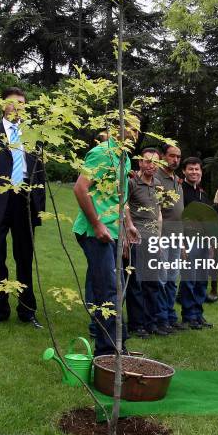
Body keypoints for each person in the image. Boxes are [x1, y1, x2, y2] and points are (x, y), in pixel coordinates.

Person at [0, 87, 45, 328]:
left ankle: (27, 311)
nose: (17, 106)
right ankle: (0, 309)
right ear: (3, 105)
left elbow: (40, 175)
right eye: (12, 102)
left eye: (21, 102)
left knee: (25, 257)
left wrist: (39, 208)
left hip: (24, 201)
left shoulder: (35, 136)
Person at [73, 127, 137, 357]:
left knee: (117, 289)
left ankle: (119, 344)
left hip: (115, 231)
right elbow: (80, 189)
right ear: (118, 128)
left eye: (138, 129)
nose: (134, 133)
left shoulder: (125, 158)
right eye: (130, 127)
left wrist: (128, 225)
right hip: (94, 232)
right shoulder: (102, 153)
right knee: (108, 291)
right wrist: (97, 224)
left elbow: (122, 196)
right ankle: (108, 352)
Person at [125, 148, 165, 337]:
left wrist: (158, 237)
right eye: (147, 161)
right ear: (140, 163)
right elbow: (123, 206)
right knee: (136, 282)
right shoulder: (132, 183)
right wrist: (129, 228)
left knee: (152, 282)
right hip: (136, 239)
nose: (151, 166)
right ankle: (136, 324)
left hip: (152, 240)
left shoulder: (158, 184)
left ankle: (151, 322)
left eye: (155, 162)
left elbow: (158, 213)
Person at [155, 144, 188, 331]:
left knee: (172, 278)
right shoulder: (157, 178)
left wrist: (182, 241)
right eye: (172, 156)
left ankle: (169, 315)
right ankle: (160, 318)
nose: (175, 160)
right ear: (163, 156)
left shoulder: (177, 181)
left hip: (176, 237)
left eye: (178, 157)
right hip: (162, 236)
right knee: (161, 278)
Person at [179, 157, 213, 329]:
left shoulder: (202, 193)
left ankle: (198, 314)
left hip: (204, 242)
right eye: (191, 169)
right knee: (189, 279)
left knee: (201, 280)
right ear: (184, 171)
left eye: (197, 169)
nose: (194, 172)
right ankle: (188, 315)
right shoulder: (179, 190)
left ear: (201, 172)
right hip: (188, 241)